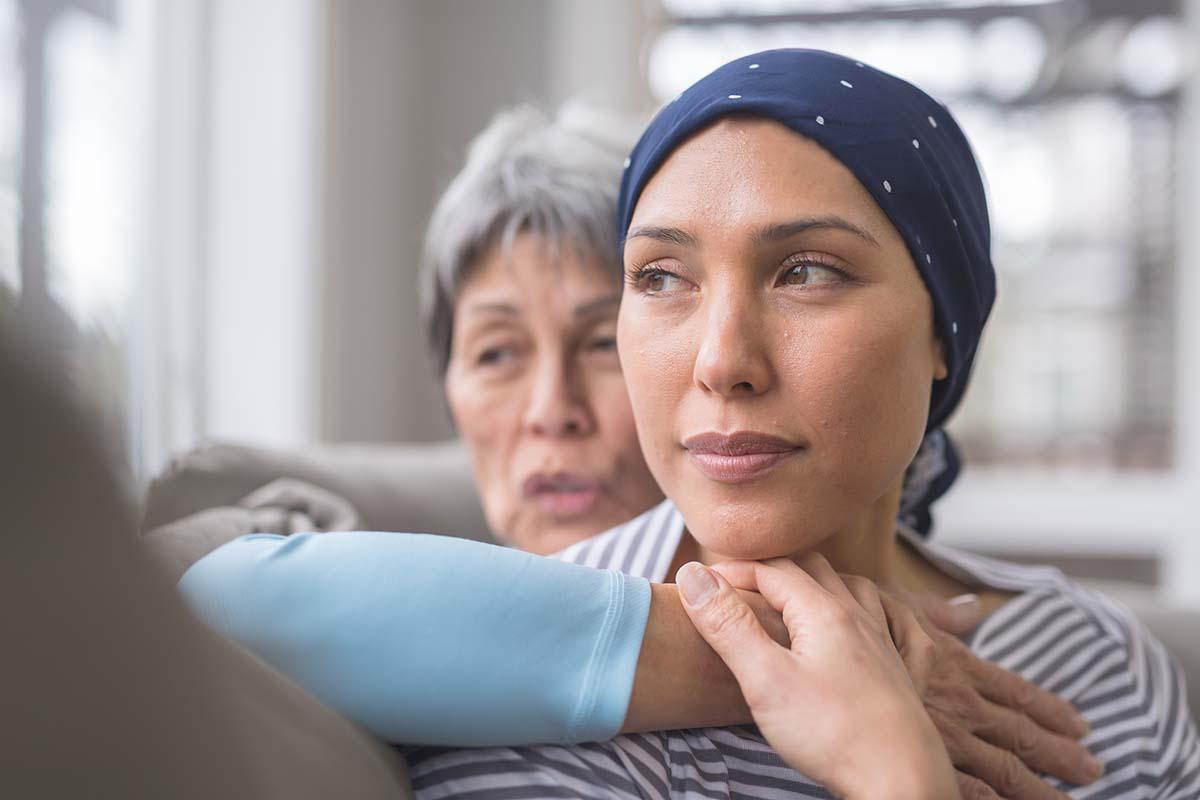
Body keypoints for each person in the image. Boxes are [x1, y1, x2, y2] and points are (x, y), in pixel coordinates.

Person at [179, 103, 1106, 797]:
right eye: (497, 351)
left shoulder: (1081, 659)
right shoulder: (370, 584)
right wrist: (788, 656)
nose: (552, 412)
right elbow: (203, 600)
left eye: (594, 343)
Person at [388, 50, 1199, 798]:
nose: (721, 361)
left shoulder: (1103, 665)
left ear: (943, 333)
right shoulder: (527, 686)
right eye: (662, 277)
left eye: (805, 271)